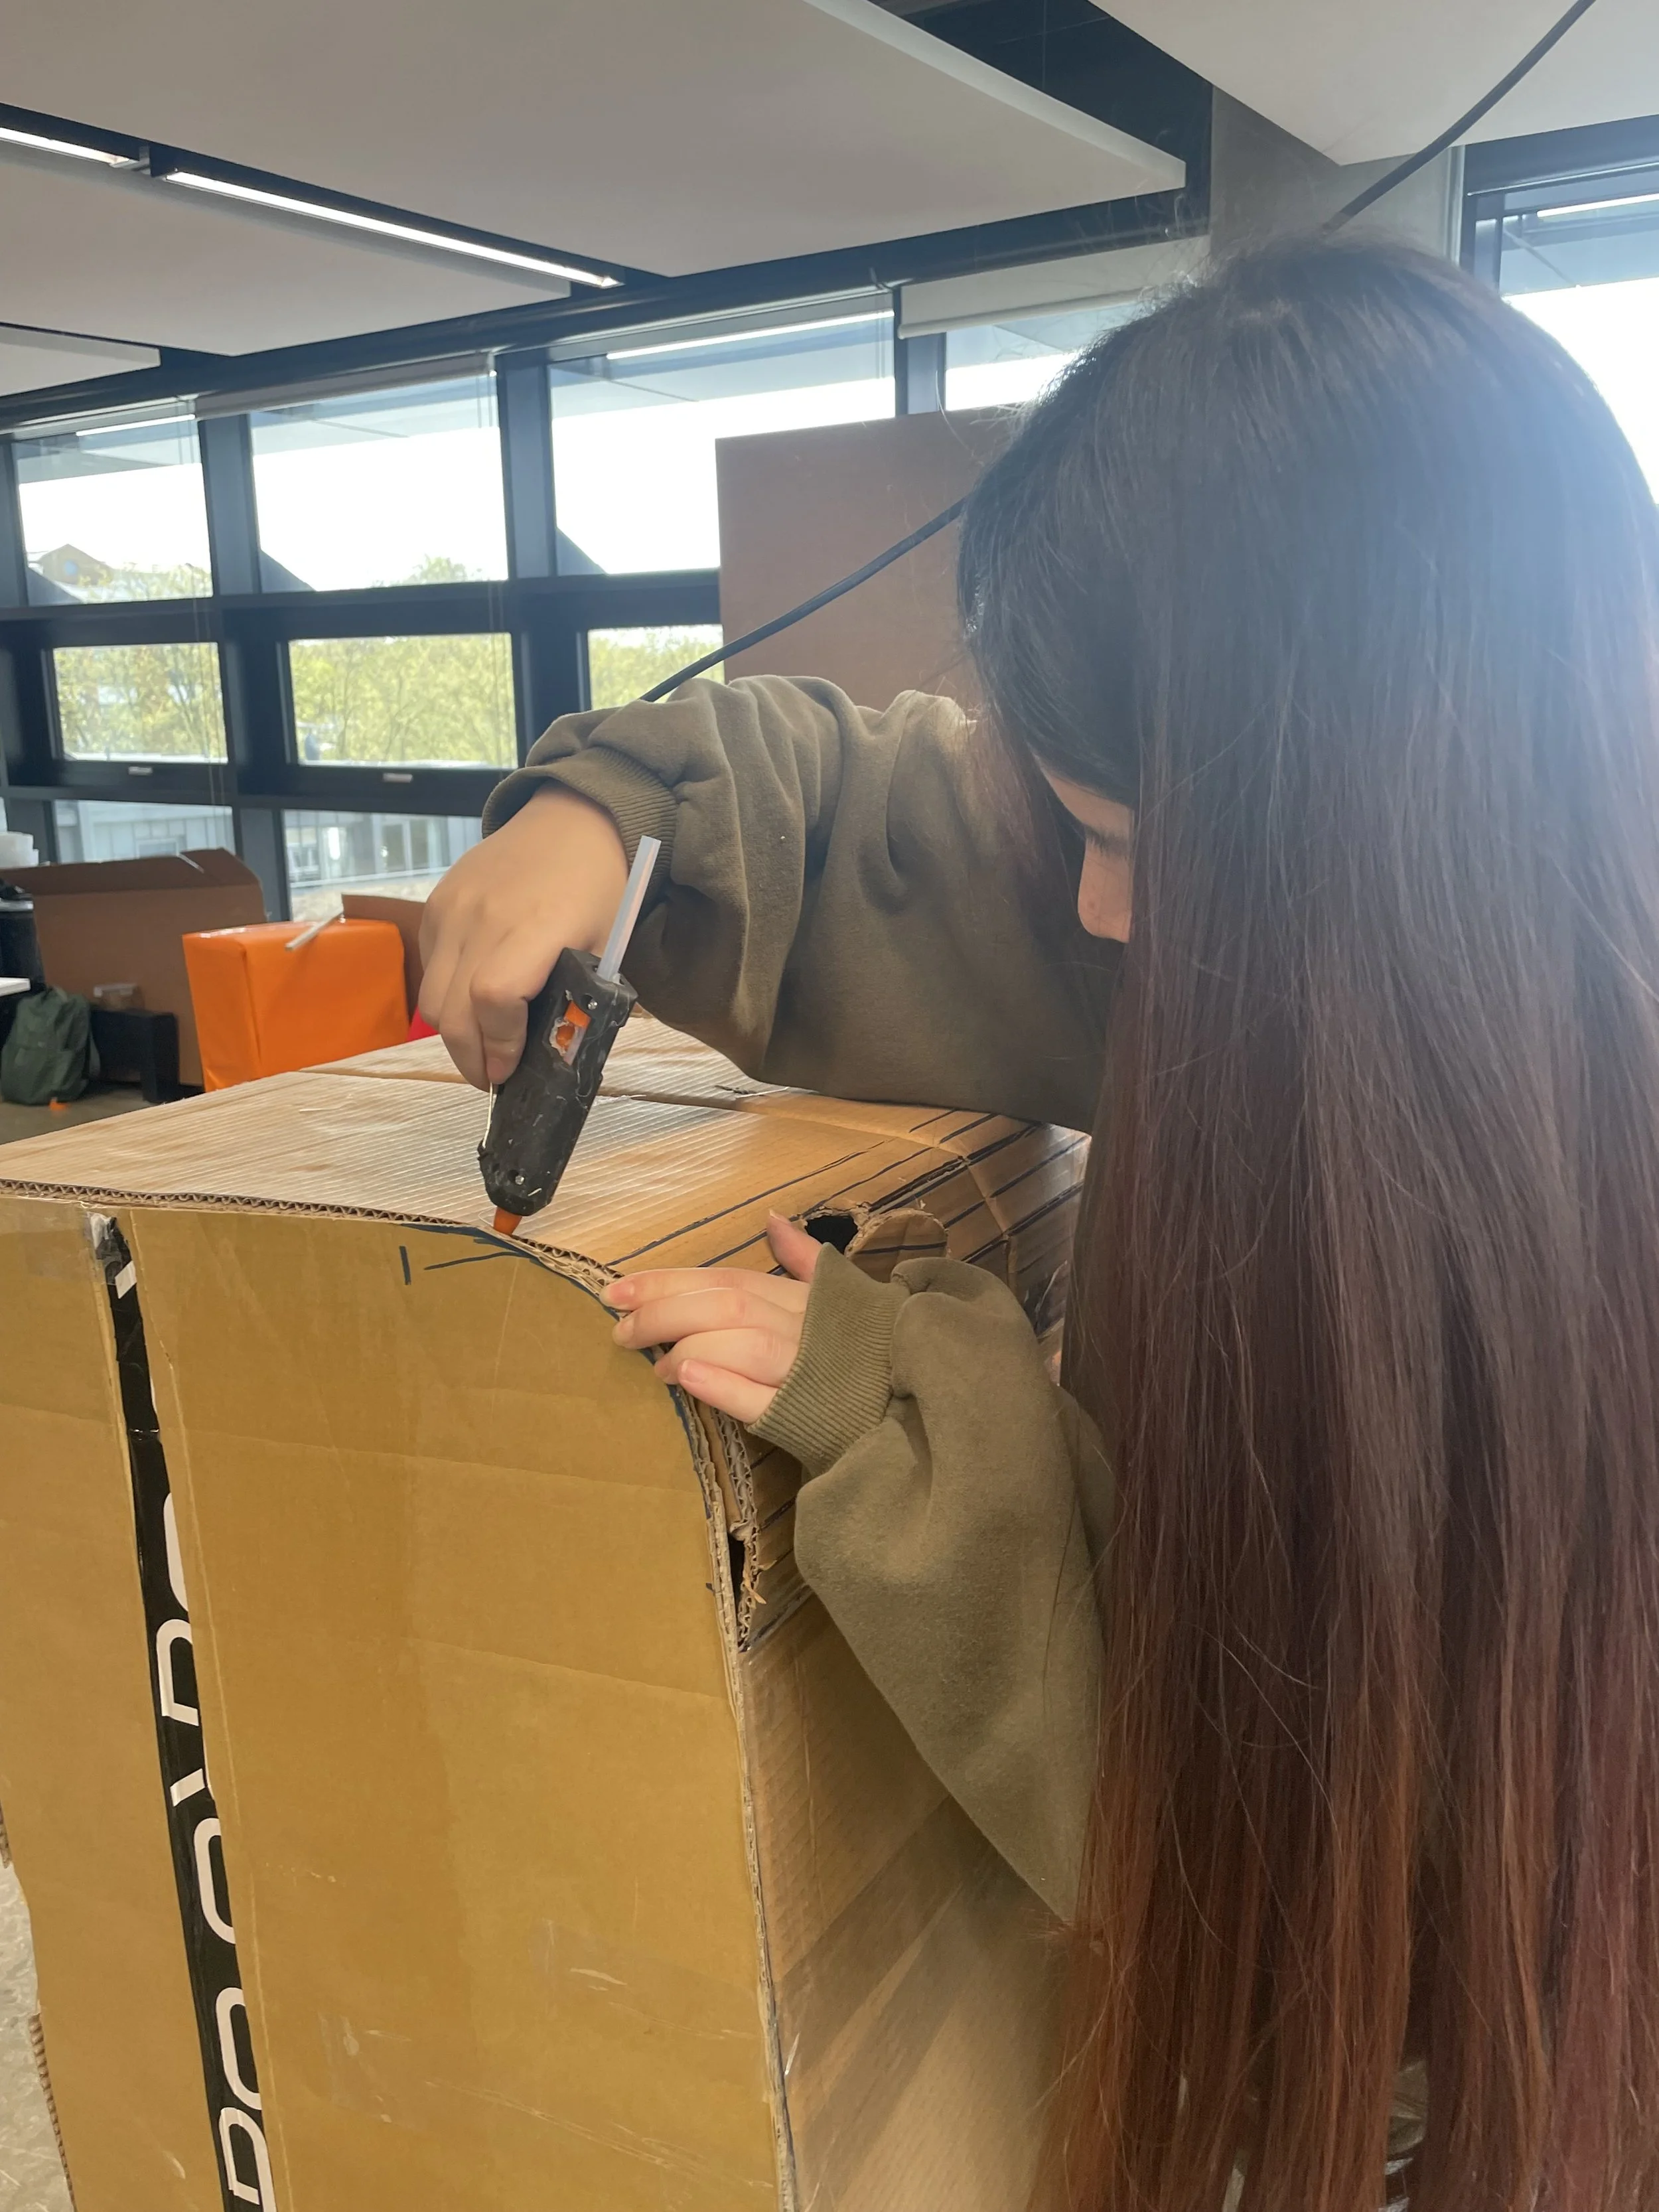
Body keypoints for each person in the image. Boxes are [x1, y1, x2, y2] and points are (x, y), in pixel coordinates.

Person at [418, 240, 1659, 2212]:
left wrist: (934, 1430)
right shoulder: (1304, 897)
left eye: (1134, 846)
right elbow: (859, 798)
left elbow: (1253, 1872)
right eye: (1079, 823)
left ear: (1386, 845)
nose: (1094, 915)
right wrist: (600, 807)